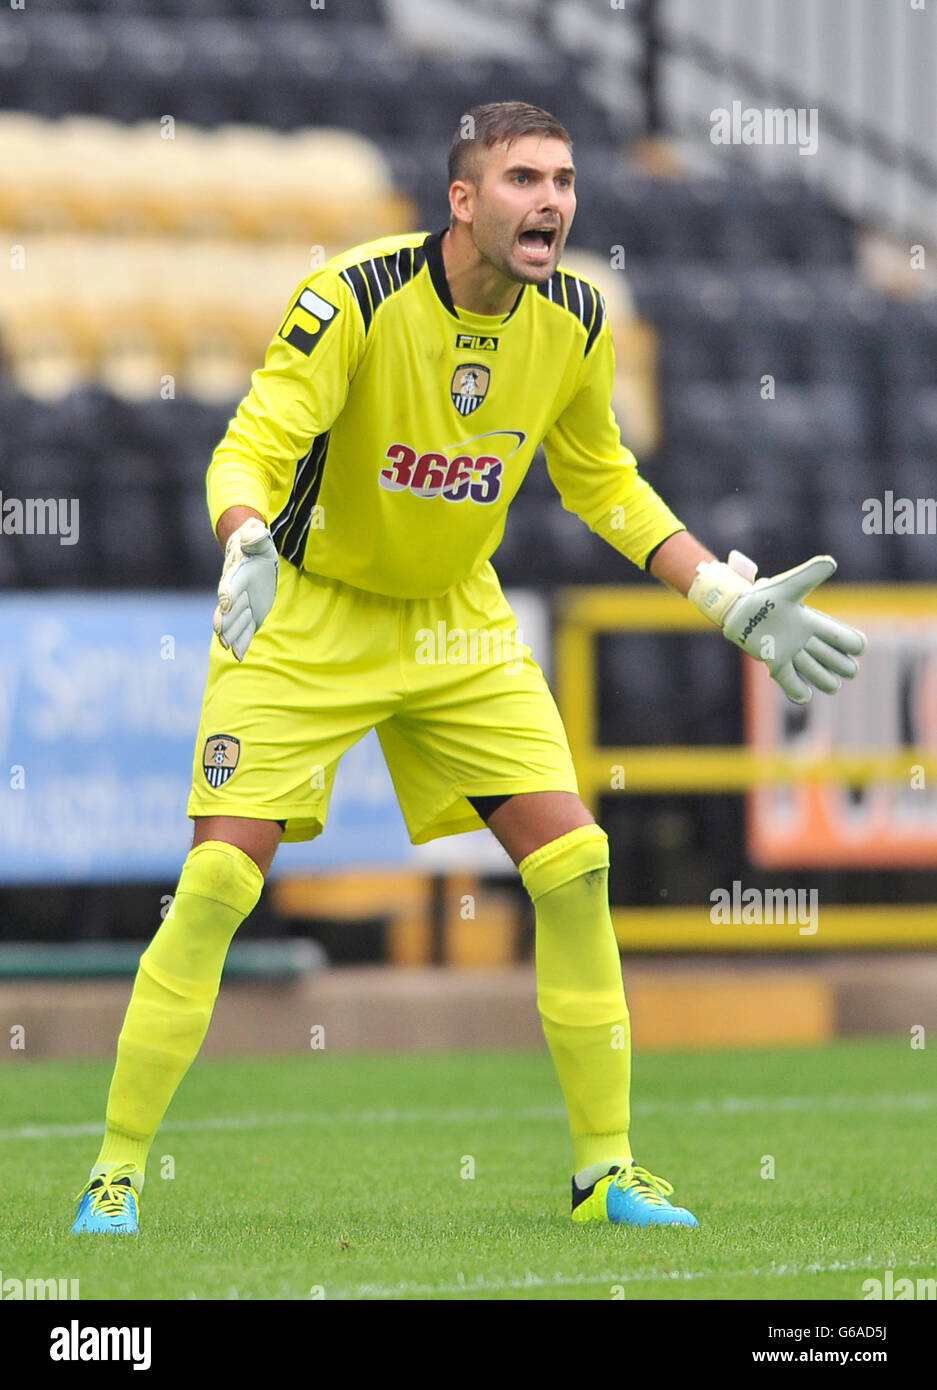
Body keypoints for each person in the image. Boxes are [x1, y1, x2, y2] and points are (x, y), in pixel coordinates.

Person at [71, 101, 866, 1235]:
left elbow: (601, 481)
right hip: (305, 611)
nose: (550, 201)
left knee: (576, 862)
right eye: (522, 179)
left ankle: (606, 1174)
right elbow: (252, 442)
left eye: (564, 179)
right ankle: (115, 1170)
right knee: (216, 886)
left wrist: (724, 595)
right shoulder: (350, 295)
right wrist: (243, 535)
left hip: (456, 623)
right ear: (463, 200)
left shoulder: (579, 316)